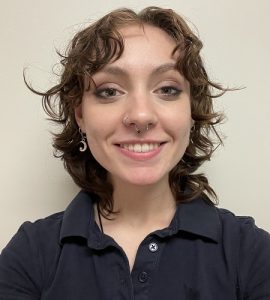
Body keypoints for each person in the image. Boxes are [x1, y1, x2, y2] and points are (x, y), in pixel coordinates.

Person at [0, 6, 269, 300]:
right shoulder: (31, 254)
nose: (141, 115)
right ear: (80, 116)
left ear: (192, 111)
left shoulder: (251, 253)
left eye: (167, 89)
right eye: (109, 91)